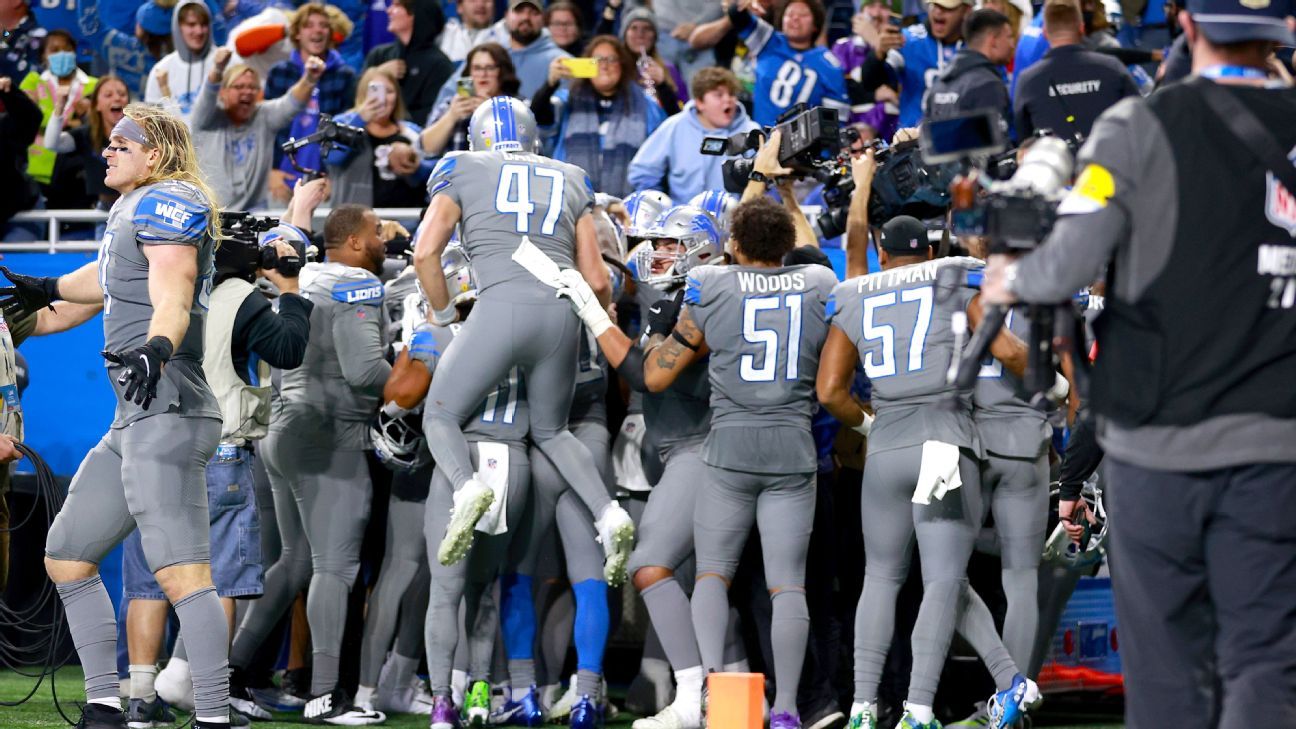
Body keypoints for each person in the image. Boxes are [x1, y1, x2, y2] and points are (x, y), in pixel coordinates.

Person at [981, 0, 1296, 726]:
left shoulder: (1137, 127)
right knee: (1266, 661)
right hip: (1277, 445)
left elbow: (1061, 268)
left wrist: (1005, 276)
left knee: (1166, 672)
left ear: (1187, 26)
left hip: (1158, 444)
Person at [559, 194, 837, 729]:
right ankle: (762, 706)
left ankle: (695, 697)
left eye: (670, 244)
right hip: (782, 449)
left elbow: (650, 376)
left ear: (720, 247)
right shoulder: (811, 284)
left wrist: (596, 315)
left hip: (710, 448)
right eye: (654, 243)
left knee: (659, 567)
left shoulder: (708, 290)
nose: (656, 253)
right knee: (767, 586)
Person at [0, 103, 231, 729]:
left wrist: (158, 345)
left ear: (154, 155)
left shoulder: (167, 202)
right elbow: (93, 289)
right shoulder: (131, 211)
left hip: (170, 406)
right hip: (134, 417)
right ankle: (104, 702)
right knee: (68, 554)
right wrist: (38, 298)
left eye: (121, 143)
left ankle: (211, 715)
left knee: (184, 573)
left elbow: (172, 291)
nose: (107, 150)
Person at [816, 215, 1040, 729]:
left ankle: (863, 707)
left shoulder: (856, 291)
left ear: (882, 250)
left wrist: (870, 425)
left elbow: (829, 390)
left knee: (879, 578)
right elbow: (1004, 349)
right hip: (943, 441)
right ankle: (918, 709)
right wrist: (1051, 383)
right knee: (944, 582)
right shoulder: (957, 273)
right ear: (929, 248)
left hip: (886, 447)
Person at [411, 98, 635, 586]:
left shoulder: (463, 166)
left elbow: (425, 251)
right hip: (561, 316)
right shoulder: (571, 175)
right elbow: (596, 279)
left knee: (441, 414)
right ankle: (608, 512)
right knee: (553, 431)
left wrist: (447, 314)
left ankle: (467, 487)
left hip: (498, 307)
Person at [118, 217, 315, 729]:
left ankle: (140, 696)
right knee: (217, 577)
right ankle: (194, 685)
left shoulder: (153, 285)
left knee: (148, 577)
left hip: (148, 442)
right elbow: (288, 349)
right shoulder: (238, 297)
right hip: (216, 448)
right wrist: (290, 287)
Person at [227, 204, 390, 727]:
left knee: (294, 562)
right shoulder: (356, 286)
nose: (384, 238)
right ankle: (323, 694)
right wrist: (419, 367)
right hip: (328, 435)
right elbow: (366, 372)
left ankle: (229, 673)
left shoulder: (304, 276)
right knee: (335, 567)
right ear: (359, 242)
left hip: (279, 430)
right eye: (377, 231)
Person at [533, 36, 667, 198]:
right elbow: (538, 117)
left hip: (628, 205)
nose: (604, 65)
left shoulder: (645, 105)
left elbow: (663, 146)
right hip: (571, 203)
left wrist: (664, 86)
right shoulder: (567, 99)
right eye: (597, 59)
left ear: (622, 65)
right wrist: (550, 84)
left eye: (611, 59)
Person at [192, 47, 323, 211]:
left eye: (252, 87)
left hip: (254, 215)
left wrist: (309, 79)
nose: (247, 92)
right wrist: (218, 69)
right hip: (211, 212)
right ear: (223, 92)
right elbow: (207, 97)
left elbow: (291, 104)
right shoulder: (207, 120)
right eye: (239, 87)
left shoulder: (264, 116)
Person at [702, 0, 849, 126]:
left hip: (806, 151)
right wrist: (743, 3)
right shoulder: (768, 40)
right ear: (782, 19)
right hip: (762, 141)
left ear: (815, 25)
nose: (795, 18)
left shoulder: (829, 64)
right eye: (790, 14)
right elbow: (737, 16)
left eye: (803, 15)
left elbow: (836, 122)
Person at [265, 2, 358, 198]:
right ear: (297, 33)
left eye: (323, 25)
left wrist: (335, 176)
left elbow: (347, 131)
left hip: (325, 181)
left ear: (330, 33)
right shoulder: (280, 73)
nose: (317, 30)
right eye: (309, 25)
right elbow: (267, 127)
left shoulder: (345, 76)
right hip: (281, 179)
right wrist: (270, 171)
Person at [627, 67, 759, 203]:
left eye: (731, 94)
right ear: (700, 103)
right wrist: (661, 207)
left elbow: (768, 180)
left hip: (733, 219)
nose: (728, 100)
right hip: (681, 220)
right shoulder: (675, 126)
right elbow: (642, 171)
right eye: (718, 95)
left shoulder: (751, 132)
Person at [1013, 0, 1139, 141]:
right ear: (1081, 28)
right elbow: (1139, 119)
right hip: (1110, 160)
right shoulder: (1112, 69)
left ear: (1045, 33)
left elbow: (1024, 138)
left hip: (1056, 161)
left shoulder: (1028, 81)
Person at [324, 68, 434, 207]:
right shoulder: (343, 123)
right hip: (356, 222)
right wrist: (360, 119)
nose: (381, 98)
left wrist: (416, 167)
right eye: (374, 91)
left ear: (397, 96)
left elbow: (433, 172)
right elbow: (332, 158)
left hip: (407, 220)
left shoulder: (410, 131)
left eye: (389, 91)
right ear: (363, 95)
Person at [41, 75, 130, 220]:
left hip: (135, 207)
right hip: (104, 210)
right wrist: (60, 106)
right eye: (108, 95)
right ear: (97, 105)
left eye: (122, 94)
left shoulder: (139, 135)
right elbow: (52, 143)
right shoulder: (86, 135)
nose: (117, 98)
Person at [20, 29, 96, 191]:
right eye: (54, 50)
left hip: (79, 169)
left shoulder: (95, 85)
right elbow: (25, 118)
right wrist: (71, 121)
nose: (62, 54)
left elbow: (98, 126)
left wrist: (41, 114)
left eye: (67, 49)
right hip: (37, 169)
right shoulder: (32, 81)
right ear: (43, 56)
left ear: (75, 53)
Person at [363, 0, 454, 130]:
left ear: (415, 14)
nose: (389, 10)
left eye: (397, 5)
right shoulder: (379, 55)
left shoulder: (439, 65)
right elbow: (356, 100)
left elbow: (433, 116)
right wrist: (379, 73)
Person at [419, 42, 521, 160]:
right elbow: (426, 149)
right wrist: (451, 116)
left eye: (490, 68)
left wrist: (491, 115)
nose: (483, 74)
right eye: (477, 68)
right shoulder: (452, 104)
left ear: (503, 72)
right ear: (469, 73)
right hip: (456, 175)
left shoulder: (517, 106)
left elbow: (525, 152)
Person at [924, 8, 1014, 124]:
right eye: (1009, 37)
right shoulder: (988, 85)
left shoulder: (940, 83)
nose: (1012, 44)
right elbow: (996, 141)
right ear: (993, 41)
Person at [892, 0, 971, 127]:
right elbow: (873, 80)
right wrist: (878, 55)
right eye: (934, 5)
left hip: (963, 140)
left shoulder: (978, 43)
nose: (938, 11)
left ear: (966, 10)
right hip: (914, 140)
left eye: (947, 8)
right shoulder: (907, 39)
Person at [832, 0, 903, 142]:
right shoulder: (843, 48)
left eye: (883, 7)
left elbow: (901, 84)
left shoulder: (906, 47)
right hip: (853, 141)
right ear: (860, 14)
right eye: (871, 6)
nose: (876, 13)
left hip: (897, 136)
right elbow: (836, 90)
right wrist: (873, 95)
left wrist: (875, 41)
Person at [144, 0, 217, 125]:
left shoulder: (223, 63)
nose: (199, 31)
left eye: (203, 24)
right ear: (178, 27)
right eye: (191, 25)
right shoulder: (161, 70)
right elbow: (152, 125)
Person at [621, 6, 687, 113]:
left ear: (655, 37)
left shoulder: (669, 70)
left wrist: (662, 85)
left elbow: (681, 113)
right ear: (625, 34)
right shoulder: (615, 67)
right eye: (634, 28)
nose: (640, 34)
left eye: (647, 28)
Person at [437, 0, 504, 62]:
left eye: (486, 0)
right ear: (459, 7)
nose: (480, 4)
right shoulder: (444, 34)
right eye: (473, 0)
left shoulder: (505, 36)